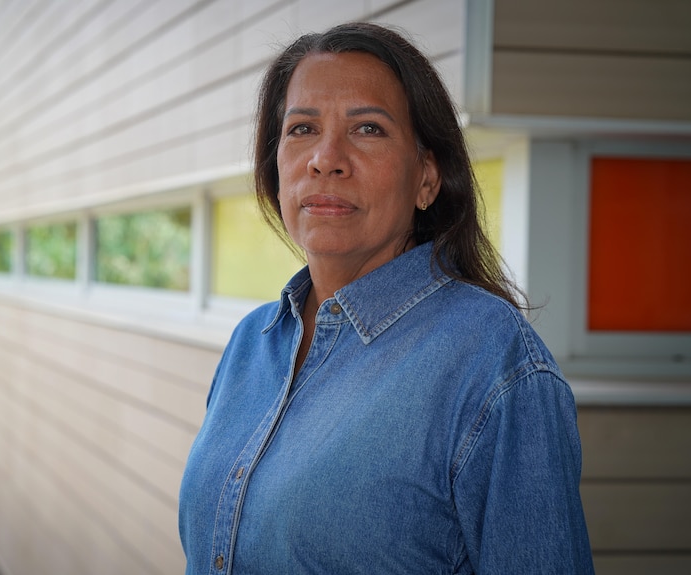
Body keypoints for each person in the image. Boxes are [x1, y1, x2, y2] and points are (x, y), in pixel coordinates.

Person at [179, 22, 594, 575]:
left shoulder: (494, 364)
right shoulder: (251, 343)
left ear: (428, 177)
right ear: (274, 166)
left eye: (368, 129)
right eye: (302, 128)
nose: (326, 159)